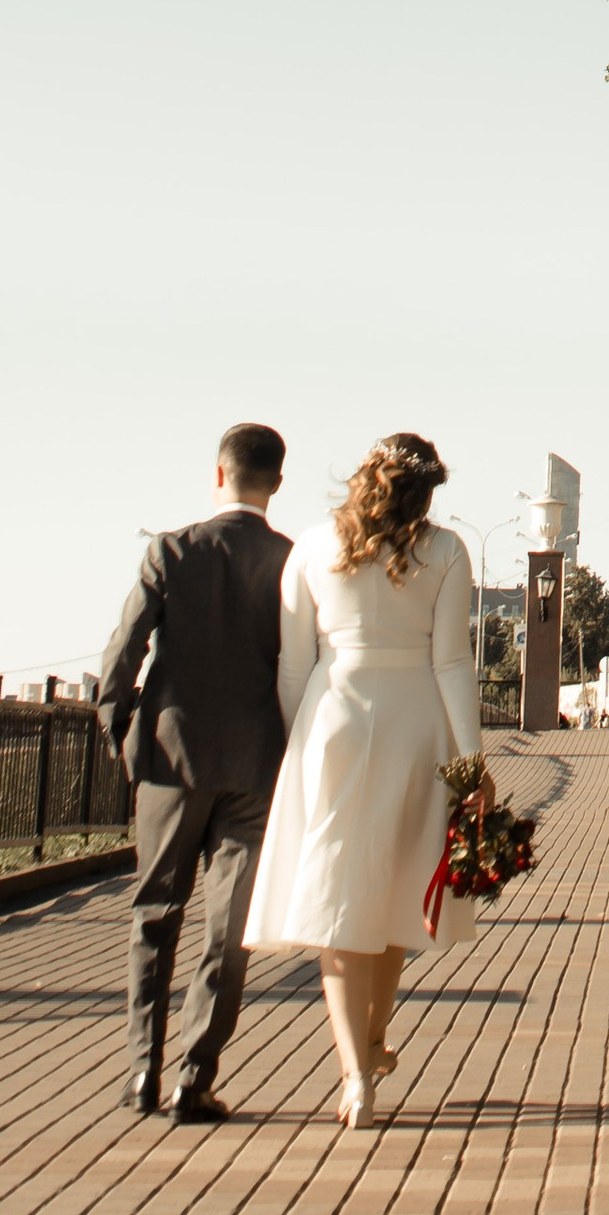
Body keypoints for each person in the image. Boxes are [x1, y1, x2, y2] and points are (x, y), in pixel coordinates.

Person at [244, 430, 480, 1128]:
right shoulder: (447, 551)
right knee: (399, 889)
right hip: (416, 721)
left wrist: (300, 741)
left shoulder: (312, 547)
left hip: (333, 717)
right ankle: (375, 1041)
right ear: (427, 490)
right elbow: (452, 663)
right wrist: (472, 762)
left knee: (339, 899)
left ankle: (356, 1076)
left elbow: (293, 665)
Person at [94, 420, 292, 1125]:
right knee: (228, 928)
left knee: (155, 911)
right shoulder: (291, 562)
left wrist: (120, 727)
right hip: (255, 763)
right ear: (277, 482)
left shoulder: (170, 550)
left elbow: (124, 650)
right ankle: (194, 1080)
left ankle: (141, 1072)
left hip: (170, 759)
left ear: (217, 474)